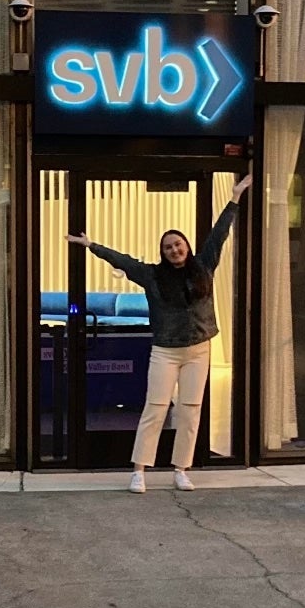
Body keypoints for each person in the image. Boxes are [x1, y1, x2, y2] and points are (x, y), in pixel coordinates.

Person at [66, 174, 252, 493]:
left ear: (187, 246)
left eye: (177, 244)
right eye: (168, 247)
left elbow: (219, 234)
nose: (174, 250)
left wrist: (234, 199)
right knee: (156, 407)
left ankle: (181, 469)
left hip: (199, 348)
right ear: (163, 252)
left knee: (191, 410)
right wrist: (90, 245)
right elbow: (122, 259)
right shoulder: (152, 276)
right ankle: (139, 470)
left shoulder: (204, 265)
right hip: (165, 351)